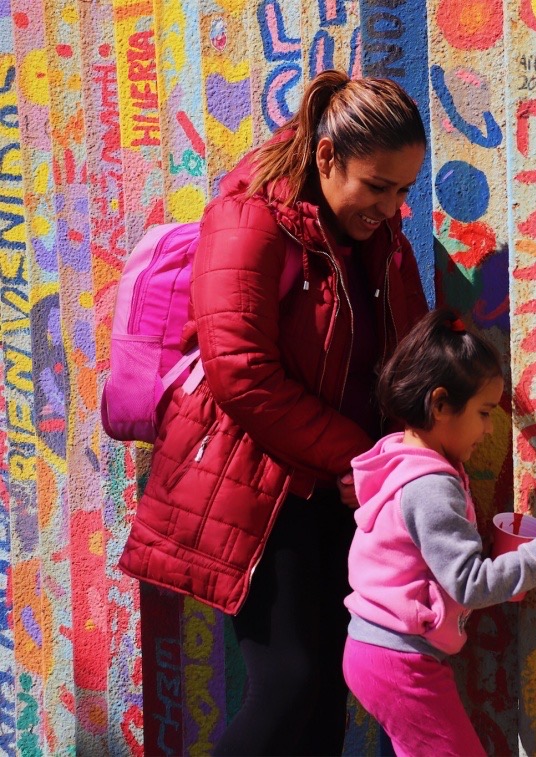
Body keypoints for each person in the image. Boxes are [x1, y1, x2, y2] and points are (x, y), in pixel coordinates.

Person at [118, 69, 430, 755]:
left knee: (324, 696)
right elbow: (242, 372)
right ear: (327, 158)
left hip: (339, 492)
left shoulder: (381, 242)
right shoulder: (248, 218)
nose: (391, 205)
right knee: (289, 679)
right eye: (378, 186)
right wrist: (360, 456)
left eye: (403, 189)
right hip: (260, 485)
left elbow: (403, 355)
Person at [341, 309, 536, 757]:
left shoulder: (402, 458)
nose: (490, 429)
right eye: (484, 413)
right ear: (439, 405)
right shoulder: (431, 488)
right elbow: (471, 584)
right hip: (402, 660)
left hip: (379, 650)